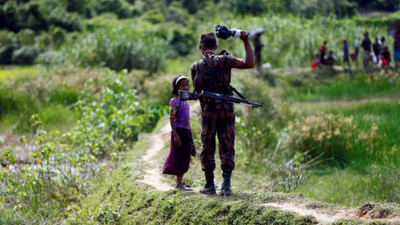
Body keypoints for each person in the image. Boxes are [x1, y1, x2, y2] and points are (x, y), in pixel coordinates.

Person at [191, 31, 254, 196]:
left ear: (202, 47)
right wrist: (246, 41)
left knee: (207, 145)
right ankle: (226, 185)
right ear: (216, 46)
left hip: (208, 111)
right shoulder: (225, 59)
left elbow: (197, 90)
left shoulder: (196, 66)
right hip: (226, 109)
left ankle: (210, 185)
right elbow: (249, 63)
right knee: (227, 145)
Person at [162, 75, 196, 190]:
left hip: (186, 131)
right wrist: (175, 135)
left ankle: (180, 182)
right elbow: (171, 118)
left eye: (187, 85)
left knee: (186, 156)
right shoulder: (174, 101)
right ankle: (179, 183)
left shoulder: (186, 101)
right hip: (179, 131)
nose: (186, 87)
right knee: (179, 156)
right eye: (183, 85)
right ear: (176, 88)